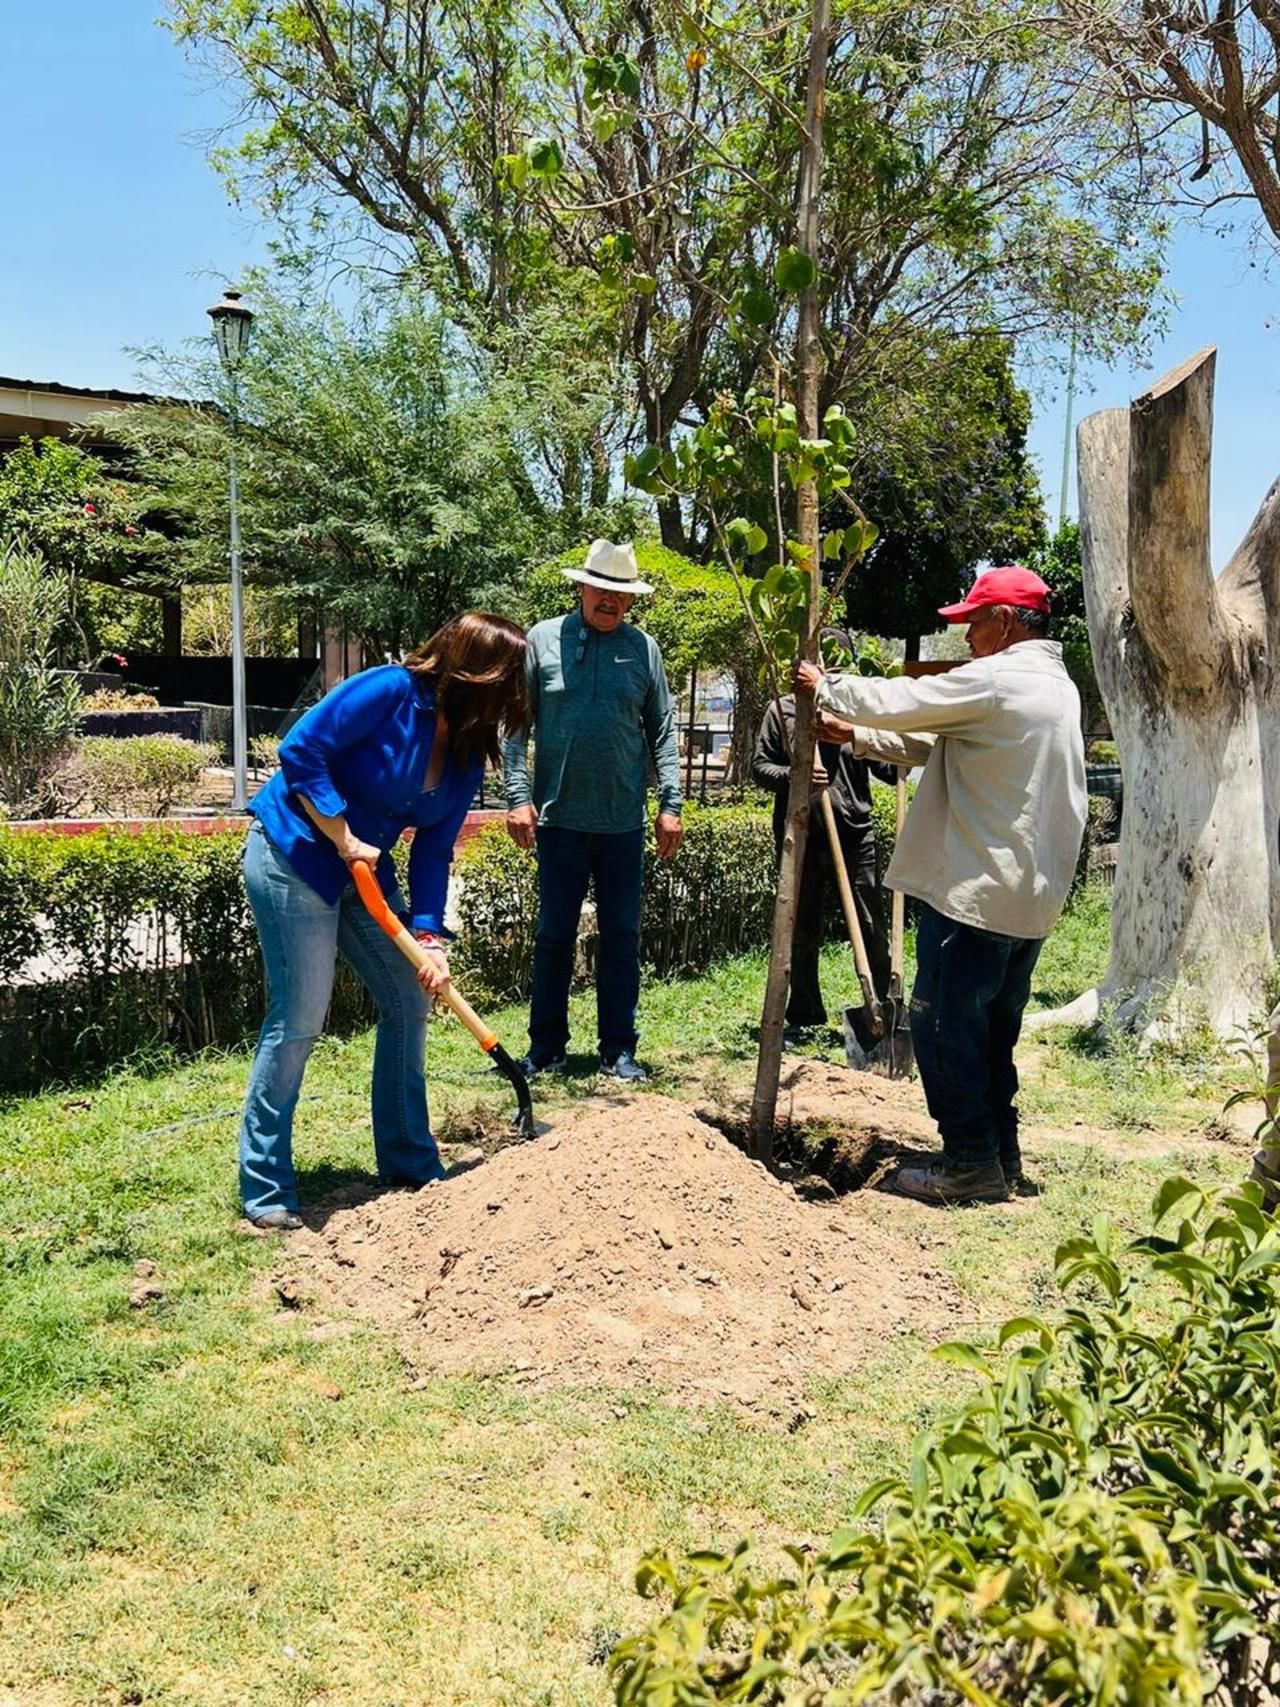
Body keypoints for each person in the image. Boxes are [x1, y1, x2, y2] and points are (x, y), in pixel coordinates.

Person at [795, 565, 1086, 1205]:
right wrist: (859, 737)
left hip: (978, 892)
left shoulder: (999, 678)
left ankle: (969, 1164)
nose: (968, 640)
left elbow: (910, 703)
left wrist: (829, 688)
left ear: (1005, 622)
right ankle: (998, 1154)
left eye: (973, 625)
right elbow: (948, 744)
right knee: (991, 1033)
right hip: (1027, 897)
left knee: (942, 1028)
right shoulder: (1052, 686)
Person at [238, 612, 527, 1230]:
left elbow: (433, 849)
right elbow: (301, 750)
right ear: (476, 672)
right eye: (508, 685)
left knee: (409, 996)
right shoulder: (389, 690)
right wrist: (343, 833)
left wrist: (429, 936)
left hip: (363, 879)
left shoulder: (469, 752)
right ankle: (265, 1186)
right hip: (293, 855)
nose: (513, 701)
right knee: (300, 1016)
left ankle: (408, 1159)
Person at [503, 540, 683, 1082]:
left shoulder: (644, 649)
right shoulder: (541, 640)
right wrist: (517, 796)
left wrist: (670, 802)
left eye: (622, 594)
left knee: (622, 939)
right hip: (558, 823)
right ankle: (546, 1048)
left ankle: (617, 1050)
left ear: (631, 602)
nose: (611, 601)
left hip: (622, 825)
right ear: (581, 587)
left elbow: (664, 729)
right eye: (603, 589)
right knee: (553, 937)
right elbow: (515, 727)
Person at [752, 640, 896, 1039]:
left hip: (855, 834)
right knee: (801, 929)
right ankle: (804, 1015)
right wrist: (795, 774)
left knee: (870, 926)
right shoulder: (782, 711)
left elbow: (887, 768)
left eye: (834, 662)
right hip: (800, 834)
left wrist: (867, 736)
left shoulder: (856, 712)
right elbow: (760, 768)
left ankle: (880, 1009)